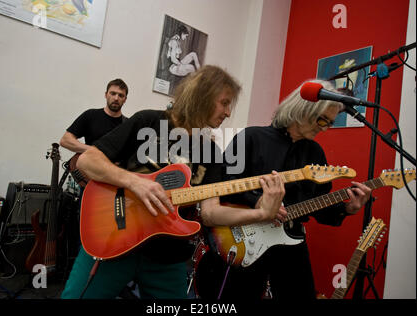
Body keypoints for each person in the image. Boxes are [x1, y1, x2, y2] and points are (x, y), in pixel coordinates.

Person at [60, 65, 286, 299]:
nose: (228, 113)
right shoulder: (147, 121)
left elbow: (210, 213)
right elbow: (87, 162)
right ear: (202, 96)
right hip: (114, 240)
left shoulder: (211, 151)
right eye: (225, 103)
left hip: (168, 256)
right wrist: (134, 182)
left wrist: (261, 214)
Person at [196, 79, 372, 299]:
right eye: (322, 120)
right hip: (244, 238)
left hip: (291, 241)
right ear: (303, 110)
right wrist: (258, 202)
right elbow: (222, 187)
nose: (325, 128)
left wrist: (347, 209)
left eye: (330, 123)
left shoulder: (315, 154)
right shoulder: (251, 138)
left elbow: (319, 204)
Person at [59, 78, 129, 154]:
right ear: (106, 95)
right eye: (113, 93)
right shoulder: (91, 115)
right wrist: (95, 151)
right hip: (90, 164)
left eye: (121, 95)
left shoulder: (128, 124)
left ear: (125, 99)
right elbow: (65, 140)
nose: (116, 98)